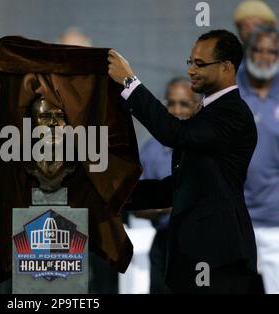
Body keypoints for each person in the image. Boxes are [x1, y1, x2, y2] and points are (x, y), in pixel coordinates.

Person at [108, 29, 258, 293]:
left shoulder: (233, 114)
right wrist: (112, 194)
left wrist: (130, 84)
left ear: (226, 67)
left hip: (219, 259)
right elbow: (178, 187)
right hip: (190, 259)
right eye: (191, 62)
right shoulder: (209, 113)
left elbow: (174, 134)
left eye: (200, 64)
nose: (191, 70)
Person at [135, 77, 200, 294]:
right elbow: (138, 207)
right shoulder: (151, 149)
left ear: (197, 106)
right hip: (165, 244)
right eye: (170, 103)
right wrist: (165, 206)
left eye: (183, 104)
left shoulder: (210, 145)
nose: (175, 110)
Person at [237, 25, 279, 294]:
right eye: (258, 50)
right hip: (237, 220)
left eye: (272, 52)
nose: (264, 57)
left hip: (276, 223)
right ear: (247, 52)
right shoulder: (228, 89)